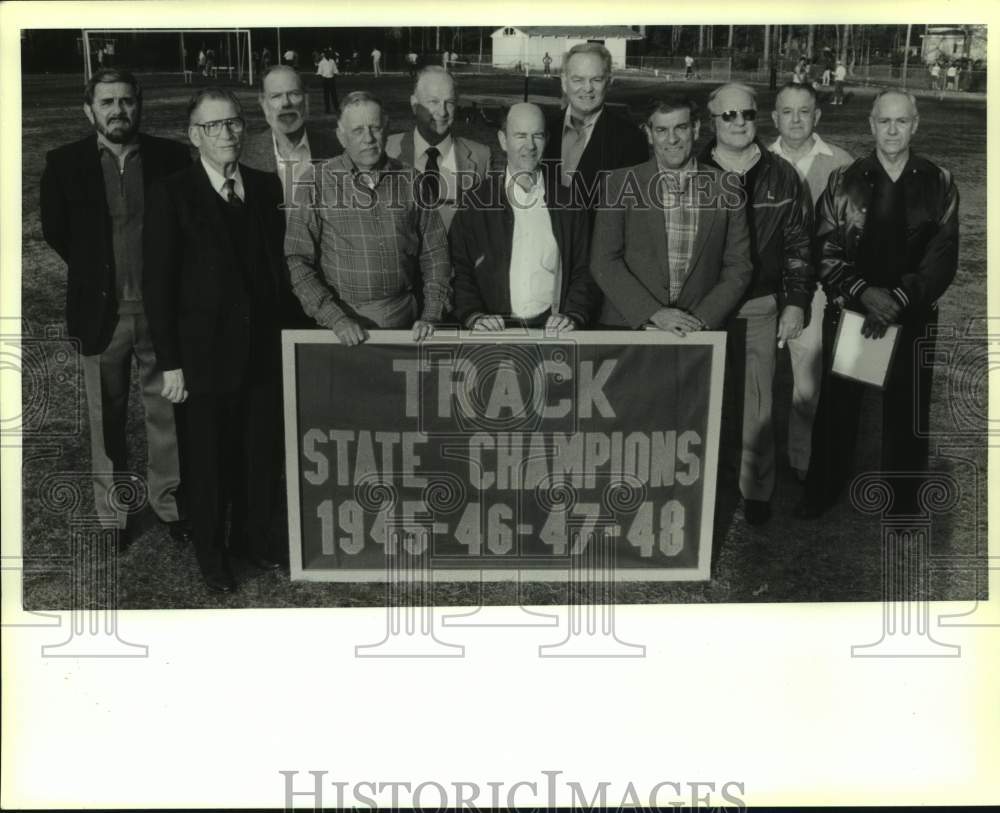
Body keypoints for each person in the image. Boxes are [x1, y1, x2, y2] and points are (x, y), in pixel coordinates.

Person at [40, 69, 192, 551]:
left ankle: (169, 503)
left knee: (165, 411)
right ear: (90, 111)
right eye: (107, 102)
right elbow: (56, 231)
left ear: (139, 105)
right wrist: (98, 276)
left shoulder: (170, 158)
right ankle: (113, 516)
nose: (118, 110)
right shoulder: (64, 164)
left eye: (126, 100)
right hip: (101, 315)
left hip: (160, 312)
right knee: (105, 419)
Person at [144, 88, 287, 593]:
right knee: (207, 466)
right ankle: (213, 559)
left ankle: (253, 540)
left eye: (233, 123)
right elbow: (157, 287)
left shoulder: (267, 187)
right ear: (194, 135)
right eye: (213, 126)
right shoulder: (172, 193)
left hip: (261, 355)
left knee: (256, 455)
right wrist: (171, 363)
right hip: (202, 363)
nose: (226, 133)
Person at [797, 91, 959, 519]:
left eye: (901, 122)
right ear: (870, 125)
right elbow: (825, 249)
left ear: (915, 125)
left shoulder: (938, 181)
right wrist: (865, 293)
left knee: (907, 412)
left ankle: (904, 504)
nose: (891, 130)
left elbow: (942, 257)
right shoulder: (843, 180)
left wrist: (900, 300)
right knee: (838, 409)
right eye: (883, 121)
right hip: (855, 310)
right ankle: (822, 492)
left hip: (912, 315)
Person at [699, 83, 814, 526]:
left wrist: (796, 302)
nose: (739, 122)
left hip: (760, 306)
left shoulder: (783, 175)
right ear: (712, 122)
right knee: (704, 398)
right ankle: (704, 486)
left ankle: (757, 489)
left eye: (746, 114)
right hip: (704, 307)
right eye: (728, 116)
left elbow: (800, 243)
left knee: (758, 402)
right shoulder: (692, 170)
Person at [285, 91, 450, 346]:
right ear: (341, 136)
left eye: (375, 128)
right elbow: (297, 261)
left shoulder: (412, 180)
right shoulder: (314, 182)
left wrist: (431, 315)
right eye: (358, 130)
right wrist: (335, 318)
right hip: (341, 330)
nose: (369, 139)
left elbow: (436, 253)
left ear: (386, 128)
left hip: (406, 324)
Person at [590, 96, 753, 333]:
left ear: (695, 129)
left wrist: (700, 319)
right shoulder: (619, 183)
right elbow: (604, 260)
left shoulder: (727, 186)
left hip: (696, 332)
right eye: (661, 130)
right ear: (649, 133)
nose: (672, 139)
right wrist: (653, 313)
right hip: (631, 326)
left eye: (681, 127)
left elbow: (739, 266)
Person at [451, 103, 601, 331]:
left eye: (537, 136)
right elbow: (459, 270)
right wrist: (473, 315)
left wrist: (573, 314)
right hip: (493, 332)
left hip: (551, 331)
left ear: (547, 139)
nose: (529, 146)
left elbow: (584, 269)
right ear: (503, 140)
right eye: (520, 135)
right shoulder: (475, 203)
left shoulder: (569, 203)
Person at [769, 83, 854, 482]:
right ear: (775, 118)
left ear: (817, 116)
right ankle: (747, 460)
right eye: (787, 112)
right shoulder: (757, 159)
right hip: (761, 288)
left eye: (805, 111)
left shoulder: (840, 163)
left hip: (814, 288)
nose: (796, 119)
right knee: (753, 380)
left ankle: (802, 461)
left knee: (807, 382)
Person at [542, 42, 648, 223]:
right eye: (578, 79)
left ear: (609, 82)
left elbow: (633, 215)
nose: (587, 88)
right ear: (564, 82)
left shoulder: (630, 139)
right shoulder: (543, 130)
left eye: (596, 80)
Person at [385, 67, 491, 231]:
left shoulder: (480, 157)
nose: (442, 112)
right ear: (414, 105)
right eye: (433, 102)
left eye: (449, 103)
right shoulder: (386, 151)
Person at [316, 48, 339, 114]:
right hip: (325, 80)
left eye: (329, 53)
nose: (329, 54)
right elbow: (319, 73)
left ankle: (336, 108)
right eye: (327, 53)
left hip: (331, 80)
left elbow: (335, 71)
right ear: (324, 55)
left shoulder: (332, 61)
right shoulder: (322, 62)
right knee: (326, 96)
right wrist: (323, 80)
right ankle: (327, 110)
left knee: (334, 95)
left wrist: (334, 78)